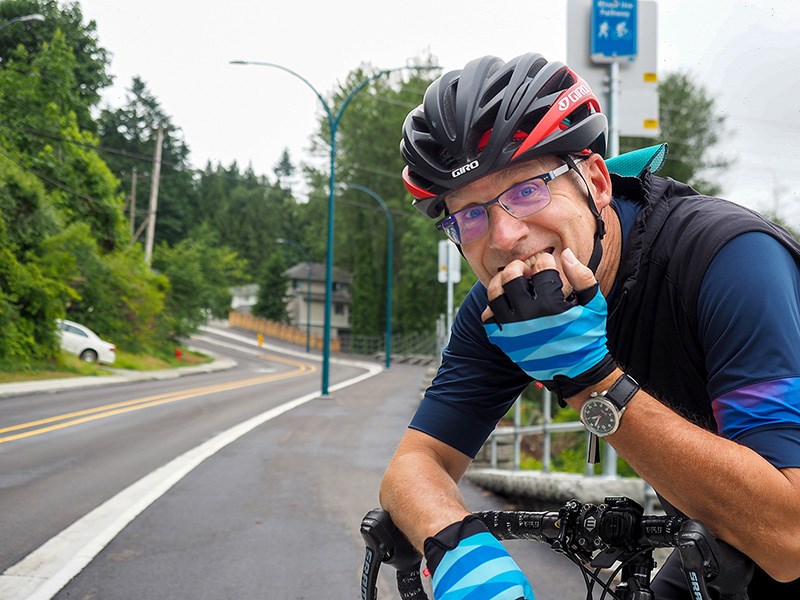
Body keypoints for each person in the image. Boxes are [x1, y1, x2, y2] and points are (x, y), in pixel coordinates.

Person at [379, 52, 800, 599]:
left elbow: (789, 540)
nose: (505, 236)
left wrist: (588, 378)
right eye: (470, 216)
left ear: (596, 181)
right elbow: (415, 463)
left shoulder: (730, 261)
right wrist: (460, 553)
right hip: (729, 532)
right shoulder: (505, 302)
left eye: (526, 190)